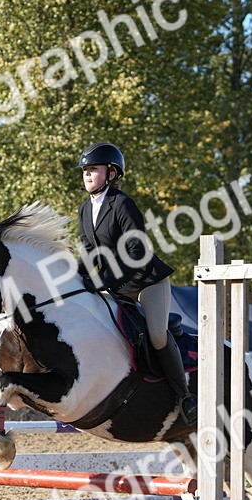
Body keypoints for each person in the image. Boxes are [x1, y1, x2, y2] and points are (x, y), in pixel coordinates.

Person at [75, 142, 197, 424]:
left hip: (145, 281)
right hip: (115, 285)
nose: (87, 175)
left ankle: (184, 396)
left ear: (112, 173)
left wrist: (105, 281)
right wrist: (77, 278)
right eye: (85, 170)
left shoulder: (122, 204)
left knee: (155, 334)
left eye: (93, 169)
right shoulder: (84, 210)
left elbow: (137, 252)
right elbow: (88, 251)